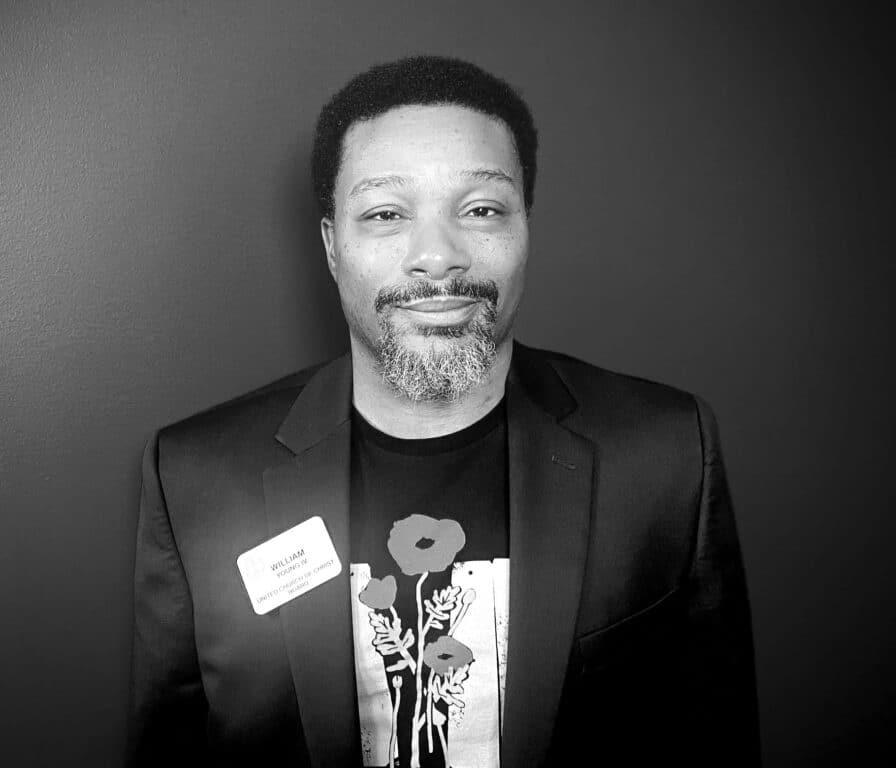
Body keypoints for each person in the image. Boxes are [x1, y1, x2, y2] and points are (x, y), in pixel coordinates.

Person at [126, 55, 759, 767]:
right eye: (386, 214)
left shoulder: (667, 452)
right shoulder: (196, 476)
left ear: (526, 227)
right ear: (332, 246)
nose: (436, 257)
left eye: (481, 209)